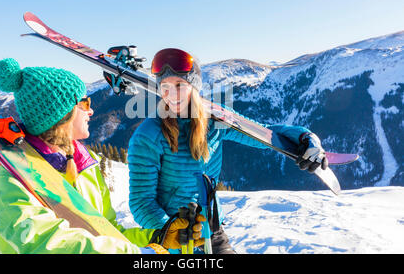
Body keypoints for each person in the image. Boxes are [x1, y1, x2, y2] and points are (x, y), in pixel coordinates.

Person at [0, 58, 204, 254]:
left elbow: (107, 232)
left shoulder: (86, 165)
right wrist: (137, 254)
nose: (91, 111)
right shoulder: (14, 176)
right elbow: (41, 242)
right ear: (62, 114)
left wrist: (158, 237)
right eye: (84, 104)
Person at [127, 48, 328, 254]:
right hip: (173, 238)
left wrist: (304, 137)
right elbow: (141, 200)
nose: (172, 95)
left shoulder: (215, 120)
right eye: (165, 87)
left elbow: (261, 133)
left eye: (180, 85)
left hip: (212, 230)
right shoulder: (148, 135)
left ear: (194, 87)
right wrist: (167, 230)